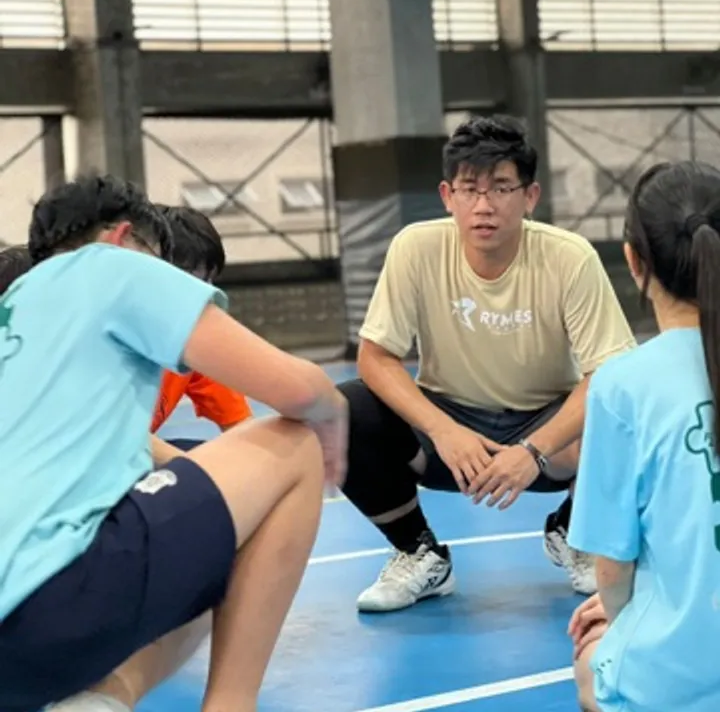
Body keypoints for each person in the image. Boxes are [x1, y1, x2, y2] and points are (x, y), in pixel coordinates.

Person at [0, 174, 347, 712]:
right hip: (50, 606)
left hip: (15, 666)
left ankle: (102, 701)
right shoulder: (109, 265)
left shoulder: (15, 308)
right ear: (122, 236)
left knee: (214, 542)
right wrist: (334, 413)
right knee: (294, 445)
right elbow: (299, 391)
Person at [338, 114, 637, 613]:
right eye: (470, 189)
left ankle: (578, 529)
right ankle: (418, 552)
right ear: (446, 195)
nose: (484, 205)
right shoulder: (416, 248)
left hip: (549, 434)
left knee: (628, 412)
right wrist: (444, 430)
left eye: (501, 188)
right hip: (447, 433)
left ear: (530, 196)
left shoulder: (570, 258)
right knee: (344, 410)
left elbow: (609, 372)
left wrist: (534, 450)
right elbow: (376, 357)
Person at [568, 160, 720, 712]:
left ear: (634, 261)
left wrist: (621, 614)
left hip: (679, 685)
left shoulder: (621, 385)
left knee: (589, 657)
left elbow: (612, 571)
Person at [151, 204, 253, 448]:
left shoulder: (195, 341)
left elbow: (241, 426)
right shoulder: (108, 342)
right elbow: (116, 441)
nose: (203, 295)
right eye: (189, 282)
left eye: (208, 281)